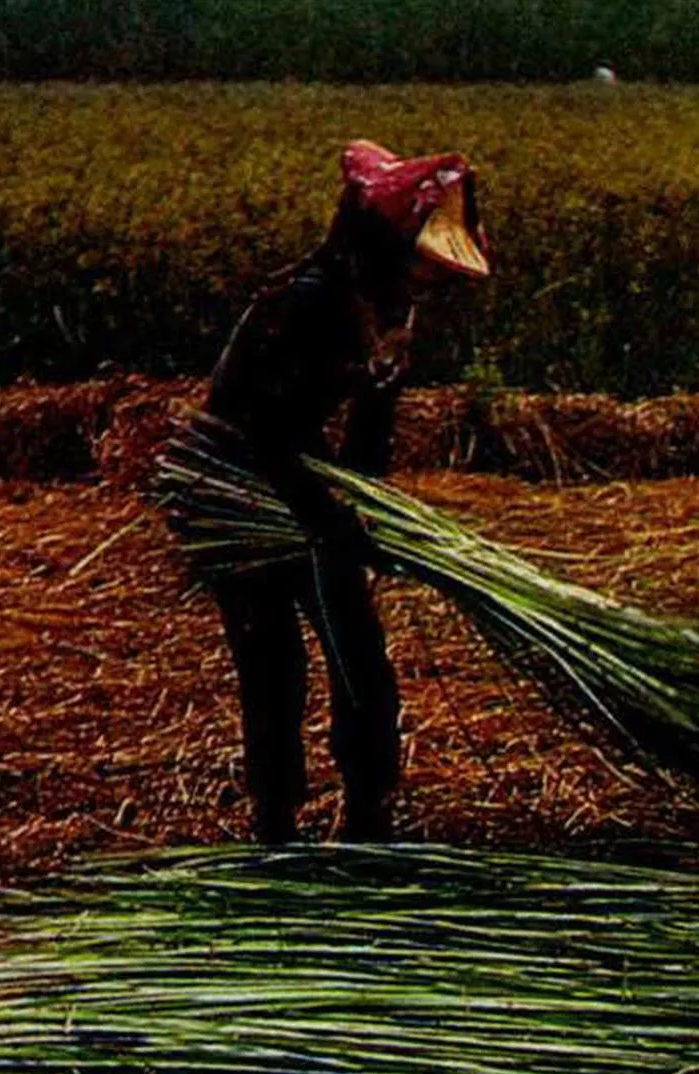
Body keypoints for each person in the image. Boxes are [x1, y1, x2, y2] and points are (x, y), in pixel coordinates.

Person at [205, 139, 490, 843]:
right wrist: (329, 519)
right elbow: (263, 426)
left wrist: (369, 489)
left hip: (302, 476)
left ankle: (368, 814)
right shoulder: (305, 303)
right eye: (422, 263)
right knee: (274, 665)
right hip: (239, 485)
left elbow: (362, 443)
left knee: (359, 656)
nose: (429, 282)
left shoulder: (378, 308)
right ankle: (276, 827)